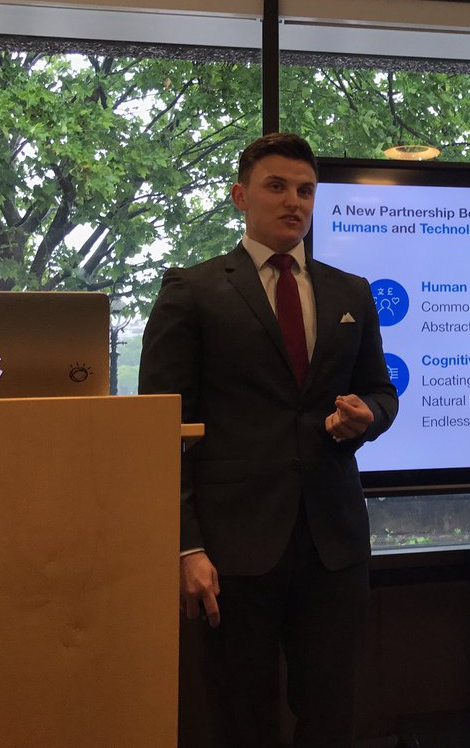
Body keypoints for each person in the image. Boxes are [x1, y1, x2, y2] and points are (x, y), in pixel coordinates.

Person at [139, 131, 398, 748]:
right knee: (242, 717)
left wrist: (366, 415)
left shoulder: (350, 291)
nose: (293, 202)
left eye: (305, 190)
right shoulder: (192, 290)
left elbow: (381, 392)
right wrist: (185, 546)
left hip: (333, 543)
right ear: (240, 196)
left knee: (331, 714)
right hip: (232, 549)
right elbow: (161, 431)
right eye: (276, 187)